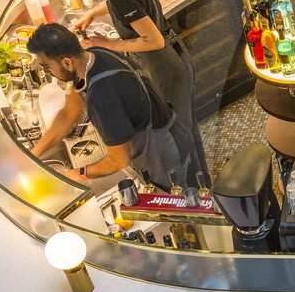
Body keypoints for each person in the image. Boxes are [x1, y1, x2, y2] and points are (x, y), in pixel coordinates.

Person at [58, 0, 208, 181]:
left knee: (178, 136)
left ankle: (195, 190)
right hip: (174, 56)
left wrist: (108, 44)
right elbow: (134, 3)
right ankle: (204, 184)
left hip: (163, 64)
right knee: (187, 127)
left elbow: (154, 40)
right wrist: (93, 13)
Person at [27, 22, 193, 187]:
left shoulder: (102, 96)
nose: (46, 72)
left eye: (46, 66)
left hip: (163, 154)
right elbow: (67, 115)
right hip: (166, 134)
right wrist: (30, 156)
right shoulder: (92, 55)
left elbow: (119, 160)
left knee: (174, 199)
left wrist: (80, 173)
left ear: (67, 63)